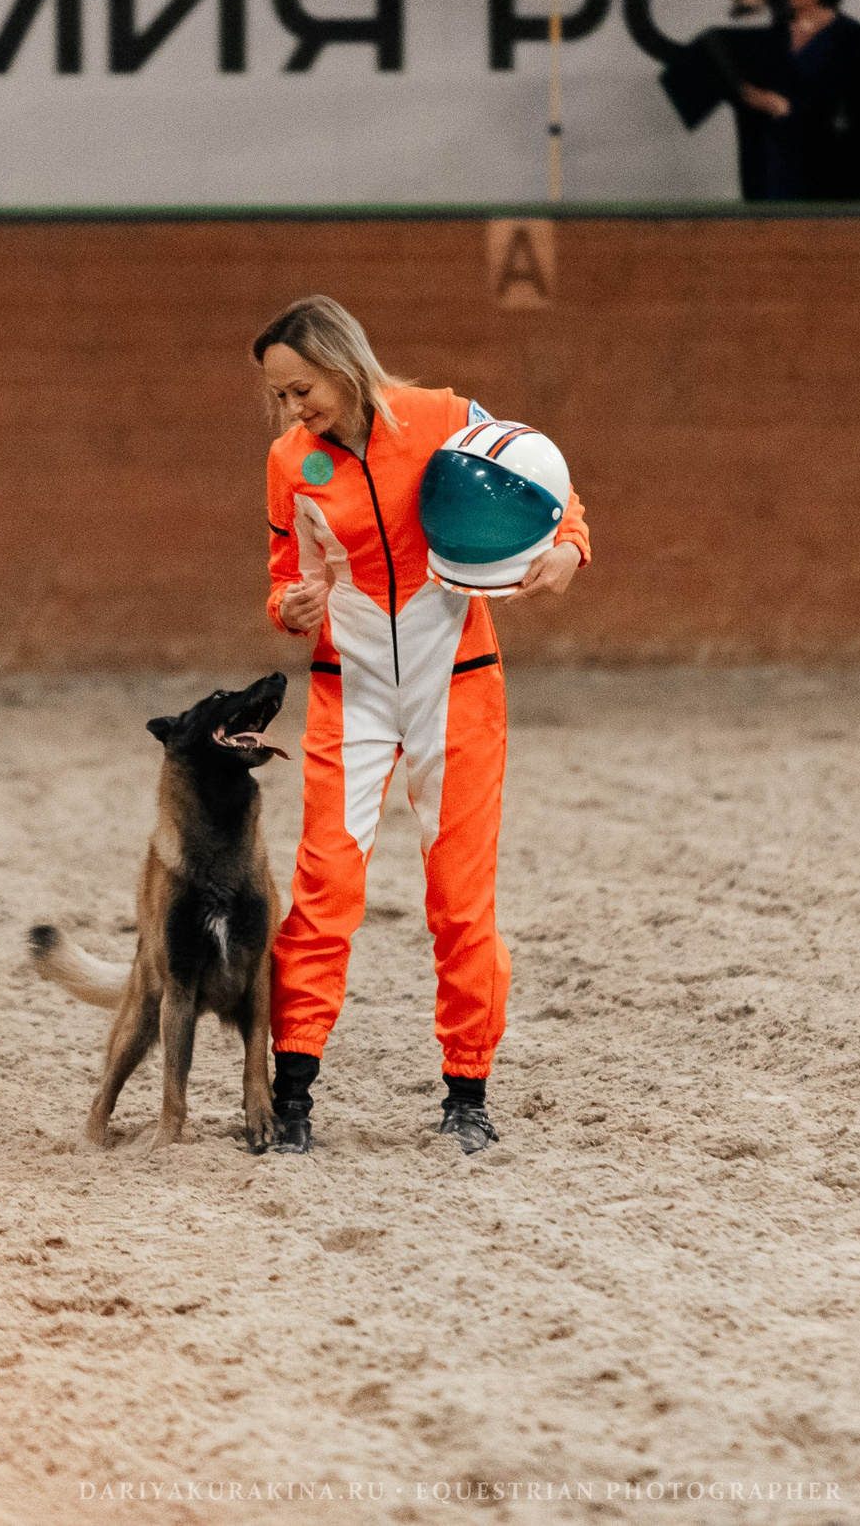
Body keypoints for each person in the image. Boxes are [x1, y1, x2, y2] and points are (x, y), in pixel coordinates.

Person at [254, 295, 589, 1155]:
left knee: (459, 900)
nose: (296, 408)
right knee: (325, 888)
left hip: (458, 682)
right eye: (282, 397)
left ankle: (466, 1096)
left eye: (303, 387)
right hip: (350, 687)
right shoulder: (290, 463)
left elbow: (549, 491)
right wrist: (289, 606)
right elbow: (287, 573)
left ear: (343, 359)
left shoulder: (444, 417)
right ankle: (292, 1095)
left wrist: (568, 549)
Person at [657, 0, 860, 202]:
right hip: (769, 166)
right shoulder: (768, 37)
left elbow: (856, 109)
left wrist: (791, 110)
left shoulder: (851, 37)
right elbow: (706, 54)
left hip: (829, 166)